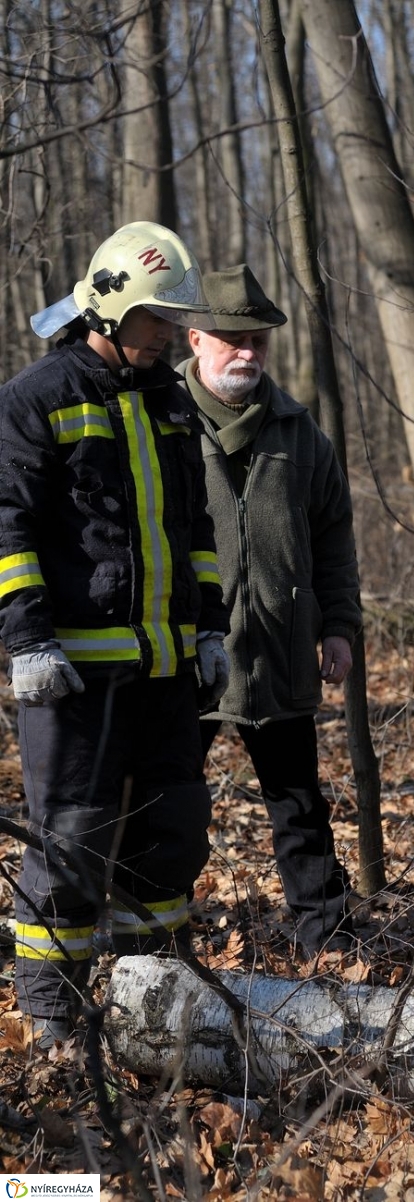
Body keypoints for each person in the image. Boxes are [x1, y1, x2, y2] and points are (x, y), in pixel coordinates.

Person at [0, 222, 231, 1049]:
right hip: (73, 679)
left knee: (171, 837)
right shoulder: (37, 398)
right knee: (73, 842)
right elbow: (8, 529)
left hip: (167, 674)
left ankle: (151, 1005)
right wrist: (29, 642)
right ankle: (53, 1017)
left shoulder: (169, 400)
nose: (168, 334)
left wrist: (210, 629)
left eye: (173, 319)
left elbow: (194, 529)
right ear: (110, 309)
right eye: (156, 318)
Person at [178, 263, 362, 958]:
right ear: (196, 339)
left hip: (282, 648)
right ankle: (158, 945)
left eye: (258, 341)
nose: (248, 353)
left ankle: (329, 944)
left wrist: (338, 626)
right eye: (234, 340)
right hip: (186, 654)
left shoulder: (300, 431)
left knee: (299, 807)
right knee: (170, 808)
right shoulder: (162, 420)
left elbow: (334, 537)